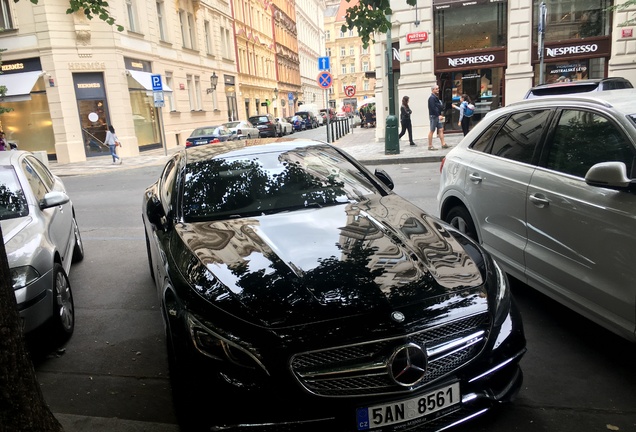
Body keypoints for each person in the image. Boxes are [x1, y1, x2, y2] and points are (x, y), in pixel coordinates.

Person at [427, 84, 449, 151]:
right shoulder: (431, 98)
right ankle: (430, 146)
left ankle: (443, 144)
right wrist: (438, 115)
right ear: (433, 90)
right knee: (432, 130)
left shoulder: (435, 98)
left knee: (440, 129)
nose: (438, 90)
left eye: (438, 89)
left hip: (436, 116)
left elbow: (437, 107)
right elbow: (433, 108)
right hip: (434, 116)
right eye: (436, 89)